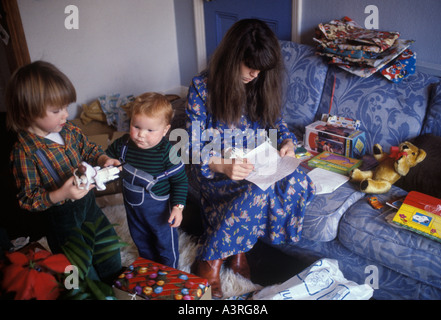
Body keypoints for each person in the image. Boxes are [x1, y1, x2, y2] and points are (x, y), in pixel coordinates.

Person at [186, 19, 315, 298]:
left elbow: (278, 125)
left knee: (297, 180)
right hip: (215, 167)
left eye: (260, 69)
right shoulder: (202, 87)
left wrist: (288, 143)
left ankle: (236, 249)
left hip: (257, 161)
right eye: (249, 66)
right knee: (256, 190)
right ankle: (212, 259)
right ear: (233, 58)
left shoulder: (262, 83)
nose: (254, 74)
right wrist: (222, 165)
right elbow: (191, 146)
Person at [6, 60, 122, 282]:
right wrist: (61, 194)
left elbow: (87, 148)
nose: (66, 115)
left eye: (67, 107)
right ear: (25, 113)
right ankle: (92, 290)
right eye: (57, 110)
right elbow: (27, 199)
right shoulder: (24, 152)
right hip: (62, 219)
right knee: (78, 264)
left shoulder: (68, 130)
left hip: (88, 206)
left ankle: (114, 281)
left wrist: (103, 158)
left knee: (107, 243)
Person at [106, 92, 188, 268]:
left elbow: (180, 181)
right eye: (136, 126)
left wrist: (178, 208)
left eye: (150, 130)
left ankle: (169, 271)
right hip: (132, 206)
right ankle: (149, 266)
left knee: (164, 242)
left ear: (165, 130)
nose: (141, 135)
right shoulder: (124, 144)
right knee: (140, 238)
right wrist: (108, 162)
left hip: (159, 211)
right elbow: (109, 154)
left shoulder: (169, 153)